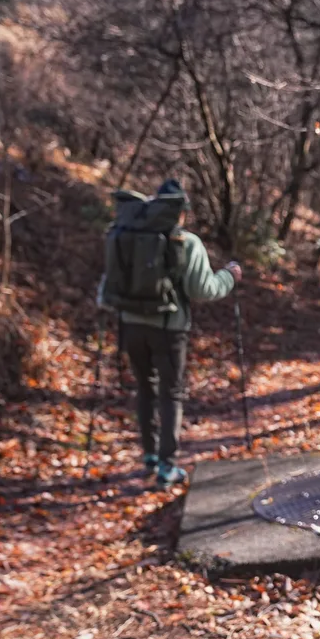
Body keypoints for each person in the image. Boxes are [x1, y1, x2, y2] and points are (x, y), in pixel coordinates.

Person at [98, 179, 241, 485]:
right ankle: (167, 466)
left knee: (145, 389)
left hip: (130, 325)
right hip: (169, 329)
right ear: (181, 211)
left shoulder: (126, 236)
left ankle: (150, 458)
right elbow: (203, 289)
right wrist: (229, 277)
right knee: (170, 394)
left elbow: (108, 284)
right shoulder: (185, 242)